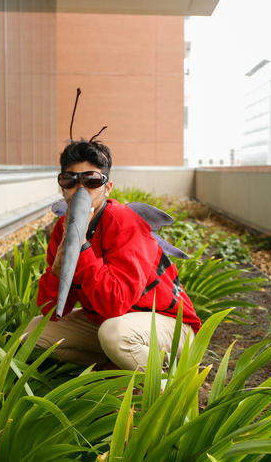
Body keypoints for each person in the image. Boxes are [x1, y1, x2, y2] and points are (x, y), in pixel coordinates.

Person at [31, 138, 201, 371]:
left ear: (107, 187)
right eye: (70, 180)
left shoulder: (124, 222)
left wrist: (82, 248)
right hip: (110, 323)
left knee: (115, 335)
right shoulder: (62, 228)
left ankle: (164, 383)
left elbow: (115, 304)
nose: (80, 189)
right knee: (30, 336)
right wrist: (57, 271)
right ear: (62, 187)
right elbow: (52, 310)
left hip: (169, 326)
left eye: (91, 180)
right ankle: (115, 365)